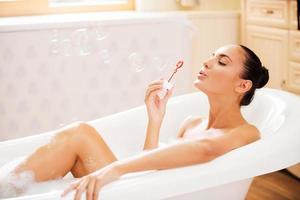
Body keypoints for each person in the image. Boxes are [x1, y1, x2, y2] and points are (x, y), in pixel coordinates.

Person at [3, 44, 269, 200]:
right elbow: (153, 175)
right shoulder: (191, 123)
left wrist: (114, 169)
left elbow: (205, 150)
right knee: (79, 133)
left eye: (221, 62)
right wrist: (155, 120)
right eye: (211, 56)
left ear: (242, 85)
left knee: (79, 134)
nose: (208, 62)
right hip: (150, 194)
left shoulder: (245, 132)